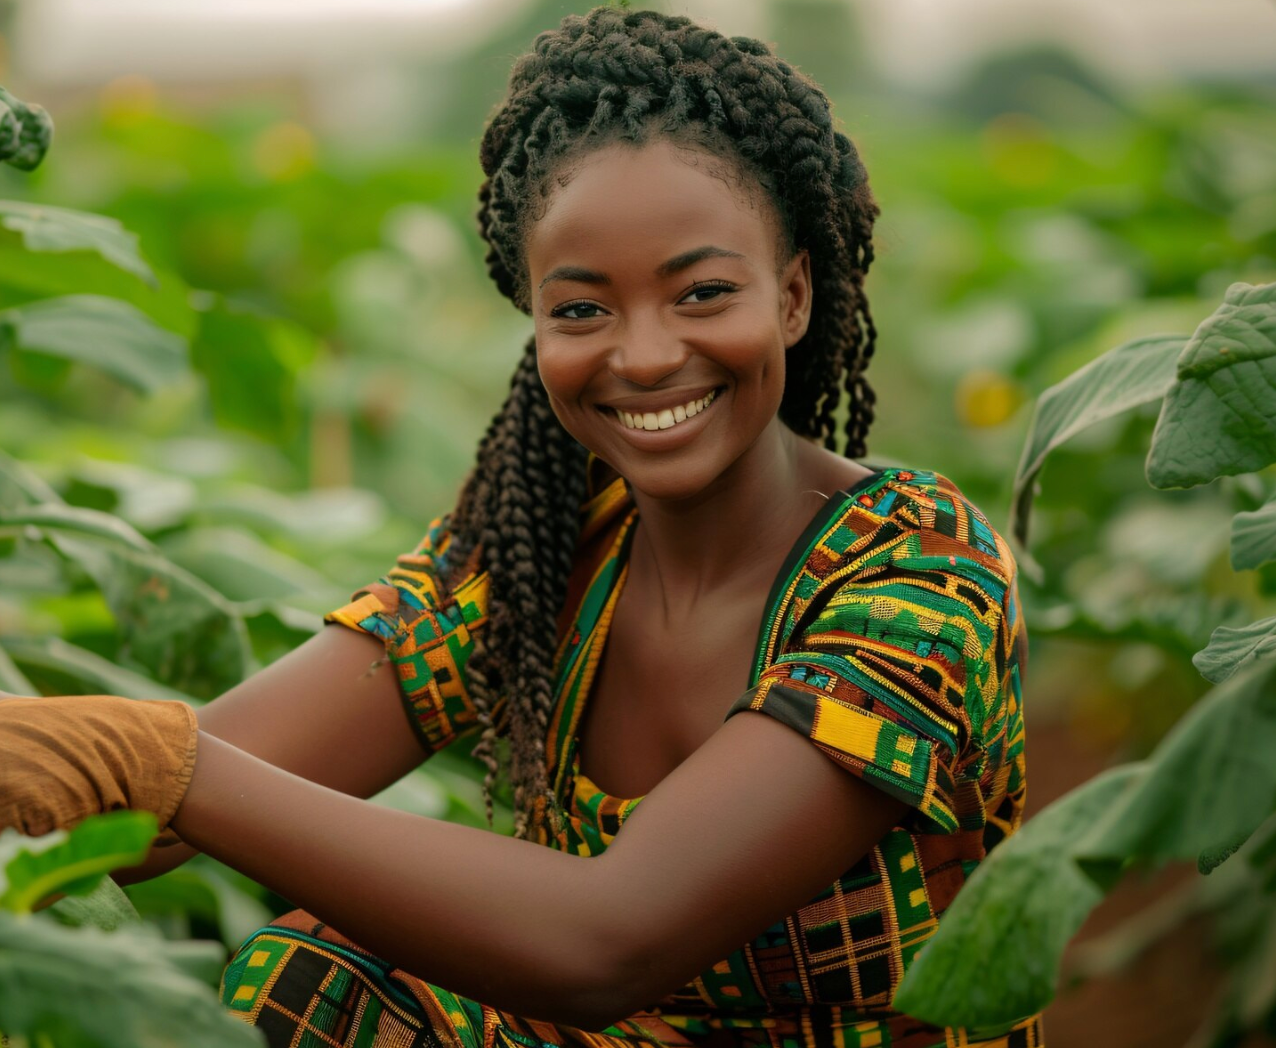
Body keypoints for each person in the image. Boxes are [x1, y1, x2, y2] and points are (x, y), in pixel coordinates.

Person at [0, 7, 1037, 1047]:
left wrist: (164, 762)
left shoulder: (921, 568)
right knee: (316, 981)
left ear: (795, 295)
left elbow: (608, 942)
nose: (640, 355)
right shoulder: (544, 549)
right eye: (581, 310)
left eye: (703, 292)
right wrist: (68, 759)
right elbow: (137, 800)